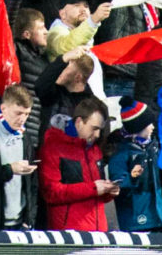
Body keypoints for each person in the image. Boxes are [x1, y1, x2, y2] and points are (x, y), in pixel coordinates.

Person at [38, 93, 116, 232]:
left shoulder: (95, 150)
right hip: (69, 235)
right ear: (79, 122)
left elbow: (96, 193)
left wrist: (108, 192)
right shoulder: (53, 148)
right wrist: (93, 188)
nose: (97, 135)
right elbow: (51, 193)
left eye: (100, 130)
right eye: (94, 128)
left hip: (99, 232)